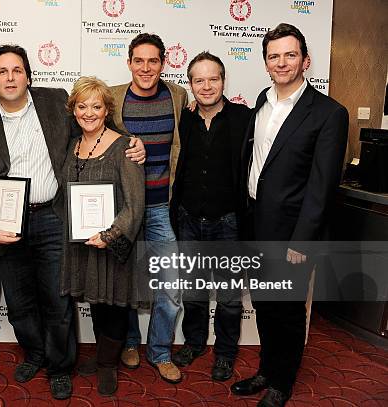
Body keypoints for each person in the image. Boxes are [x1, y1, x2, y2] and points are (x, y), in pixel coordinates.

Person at [0, 44, 145, 400]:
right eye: (2, 71)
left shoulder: (54, 101)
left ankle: (60, 367)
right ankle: (36, 354)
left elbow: (95, 118)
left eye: (17, 70)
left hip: (52, 217)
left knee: (56, 300)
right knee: (18, 301)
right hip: (6, 224)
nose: (10, 77)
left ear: (28, 76)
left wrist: (132, 142)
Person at [231, 23, 348, 407]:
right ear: (266, 63)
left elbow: (322, 185)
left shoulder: (329, 113)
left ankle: (282, 381)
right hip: (255, 226)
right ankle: (267, 368)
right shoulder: (261, 104)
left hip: (292, 235)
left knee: (288, 311)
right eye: (274, 56)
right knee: (264, 305)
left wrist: (302, 241)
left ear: (305, 60)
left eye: (290, 55)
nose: (281, 62)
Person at [109, 32, 188, 383]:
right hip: (125, 208)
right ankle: (129, 342)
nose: (145, 67)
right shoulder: (111, 98)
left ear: (163, 63)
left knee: (170, 286)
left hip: (160, 208)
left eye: (153, 61)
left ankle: (158, 351)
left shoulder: (177, 95)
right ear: (128, 63)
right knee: (124, 282)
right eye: (138, 61)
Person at [169, 51, 252, 381]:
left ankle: (226, 352)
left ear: (223, 81)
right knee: (193, 290)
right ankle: (193, 342)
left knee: (230, 297)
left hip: (228, 222)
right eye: (199, 80)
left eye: (213, 79)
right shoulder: (184, 119)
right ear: (190, 85)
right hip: (189, 219)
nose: (206, 86)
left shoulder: (244, 118)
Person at [60, 76, 145, 396]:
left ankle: (109, 365)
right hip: (84, 243)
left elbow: (135, 204)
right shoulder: (72, 144)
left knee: (115, 304)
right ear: (74, 110)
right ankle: (103, 356)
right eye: (82, 106)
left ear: (107, 110)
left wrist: (110, 235)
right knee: (96, 300)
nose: (89, 112)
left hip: (112, 243)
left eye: (96, 106)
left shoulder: (126, 147)